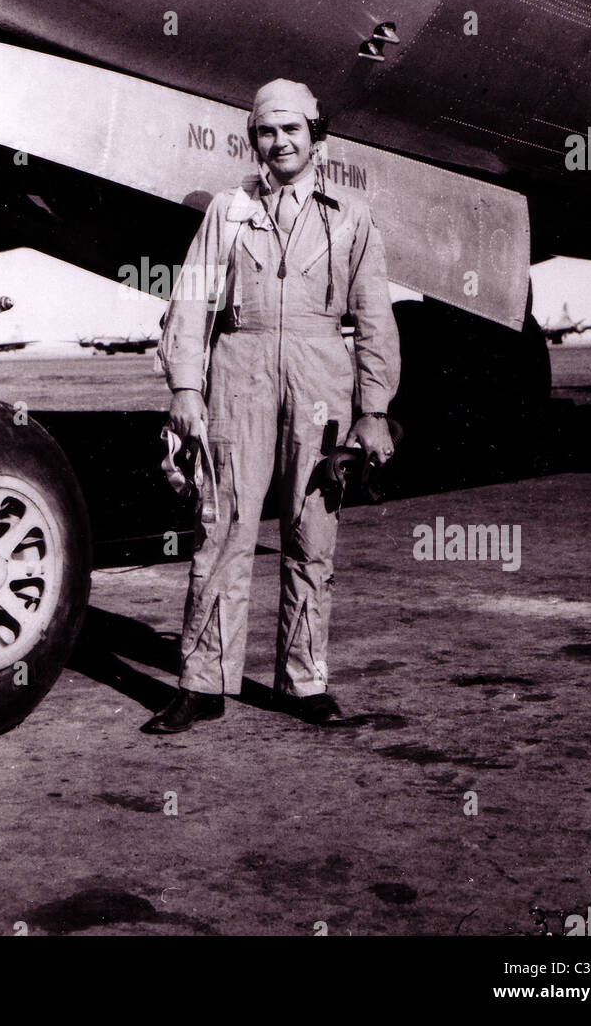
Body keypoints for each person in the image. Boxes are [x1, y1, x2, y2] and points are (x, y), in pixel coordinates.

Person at [144, 79, 400, 733]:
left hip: (320, 380)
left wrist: (373, 408)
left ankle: (304, 682)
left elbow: (373, 315)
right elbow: (192, 300)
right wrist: (184, 388)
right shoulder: (226, 212)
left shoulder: (352, 217)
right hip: (239, 374)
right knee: (220, 533)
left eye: (292, 129)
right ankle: (202, 684)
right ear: (253, 138)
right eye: (266, 130)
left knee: (311, 537)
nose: (279, 141)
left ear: (318, 137)